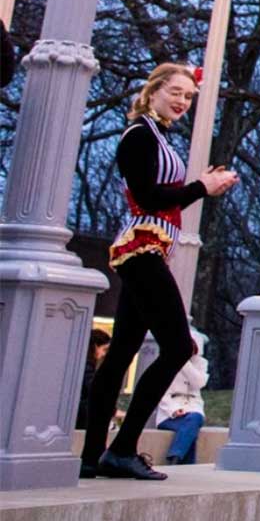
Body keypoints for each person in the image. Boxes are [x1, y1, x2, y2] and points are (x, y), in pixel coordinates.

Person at [82, 63, 238, 481]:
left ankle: (95, 453)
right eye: (175, 92)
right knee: (177, 346)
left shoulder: (155, 135)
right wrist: (201, 188)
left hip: (149, 248)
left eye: (189, 96)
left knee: (120, 355)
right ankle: (122, 447)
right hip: (142, 249)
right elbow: (150, 198)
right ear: (153, 91)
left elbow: (161, 200)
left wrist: (202, 186)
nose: (182, 101)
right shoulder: (139, 135)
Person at [155, 329, 210, 465]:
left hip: (193, 410)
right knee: (191, 430)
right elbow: (161, 392)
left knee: (194, 419)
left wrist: (184, 363)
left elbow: (199, 383)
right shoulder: (166, 361)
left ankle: (176, 457)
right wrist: (174, 410)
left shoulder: (200, 363)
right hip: (169, 415)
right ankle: (179, 461)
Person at [77, 329, 112, 431]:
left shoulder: (81, 362)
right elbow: (94, 390)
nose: (104, 354)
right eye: (104, 349)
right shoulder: (87, 366)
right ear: (96, 346)